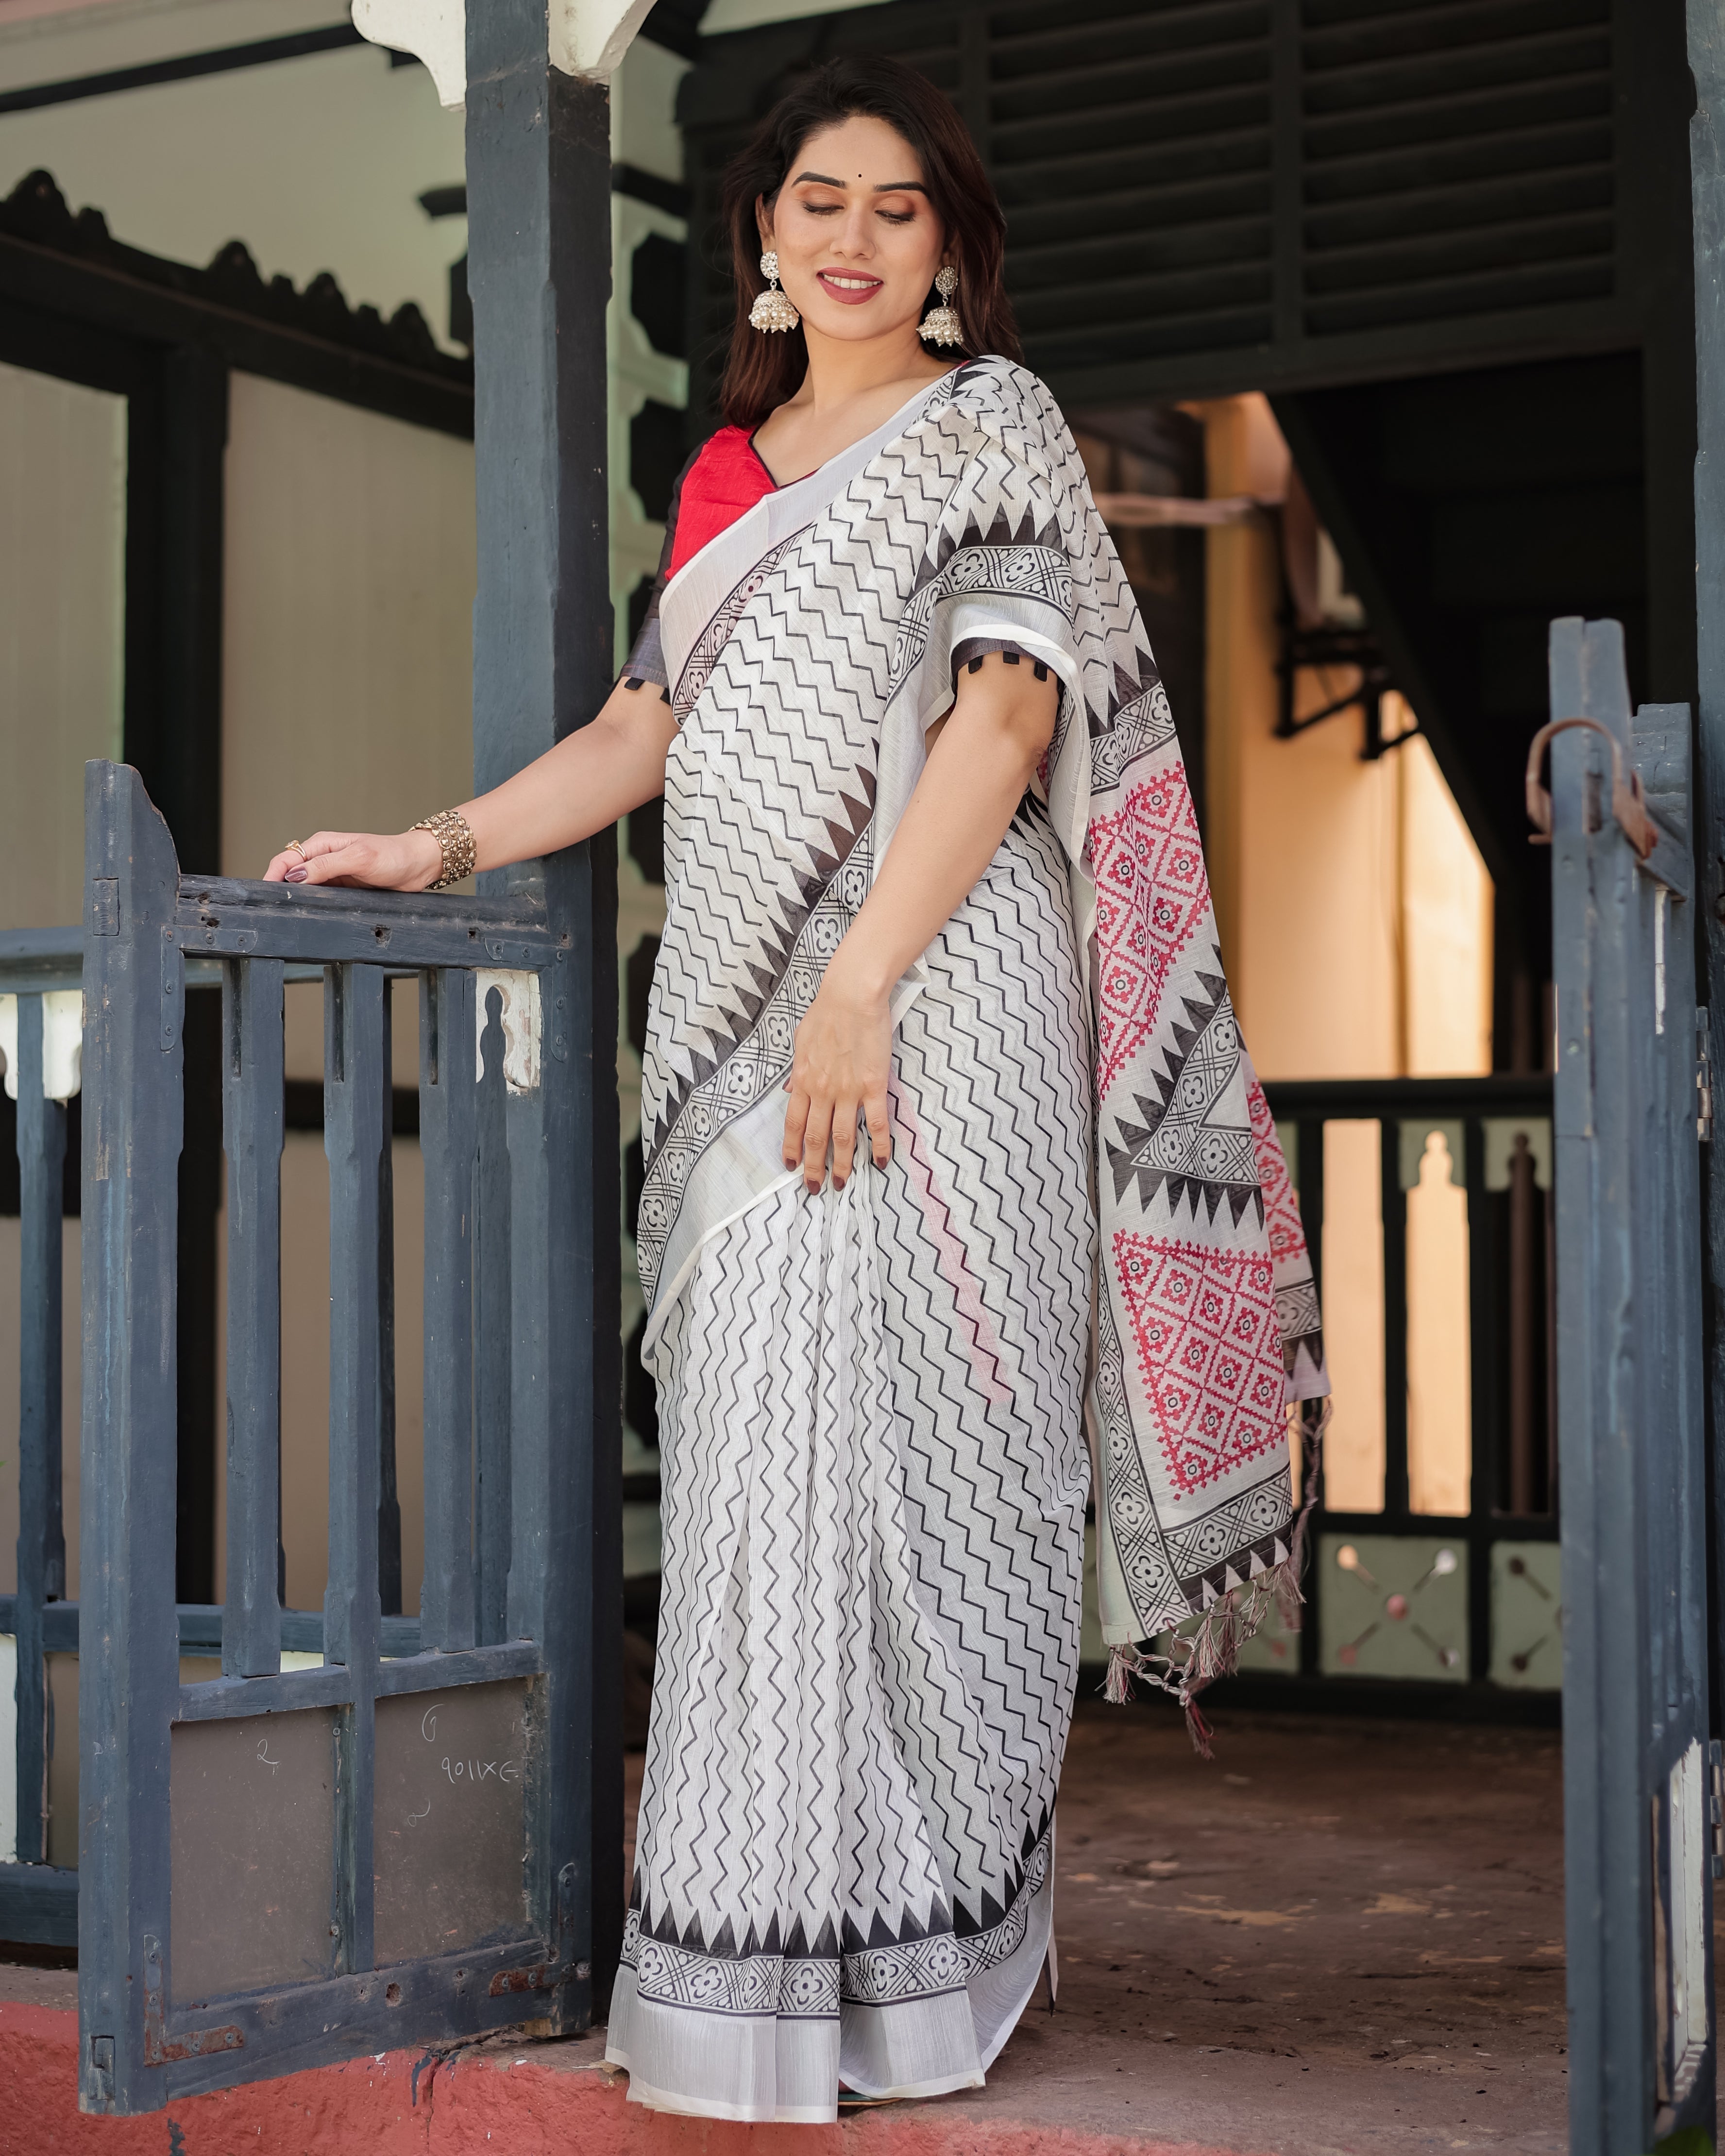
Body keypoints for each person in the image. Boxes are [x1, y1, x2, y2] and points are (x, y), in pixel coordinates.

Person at [266, 53, 1328, 2124]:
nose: (850, 238)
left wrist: (862, 984)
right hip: (757, 1039)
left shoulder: (989, 426)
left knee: (950, 1473)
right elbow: (637, 732)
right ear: (760, 239)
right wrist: (438, 843)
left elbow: (1008, 721)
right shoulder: (733, 476)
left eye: (896, 209)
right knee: (766, 1471)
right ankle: (757, 1984)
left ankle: (930, 1967)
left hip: (943, 1004)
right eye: (815, 202)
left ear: (947, 254)